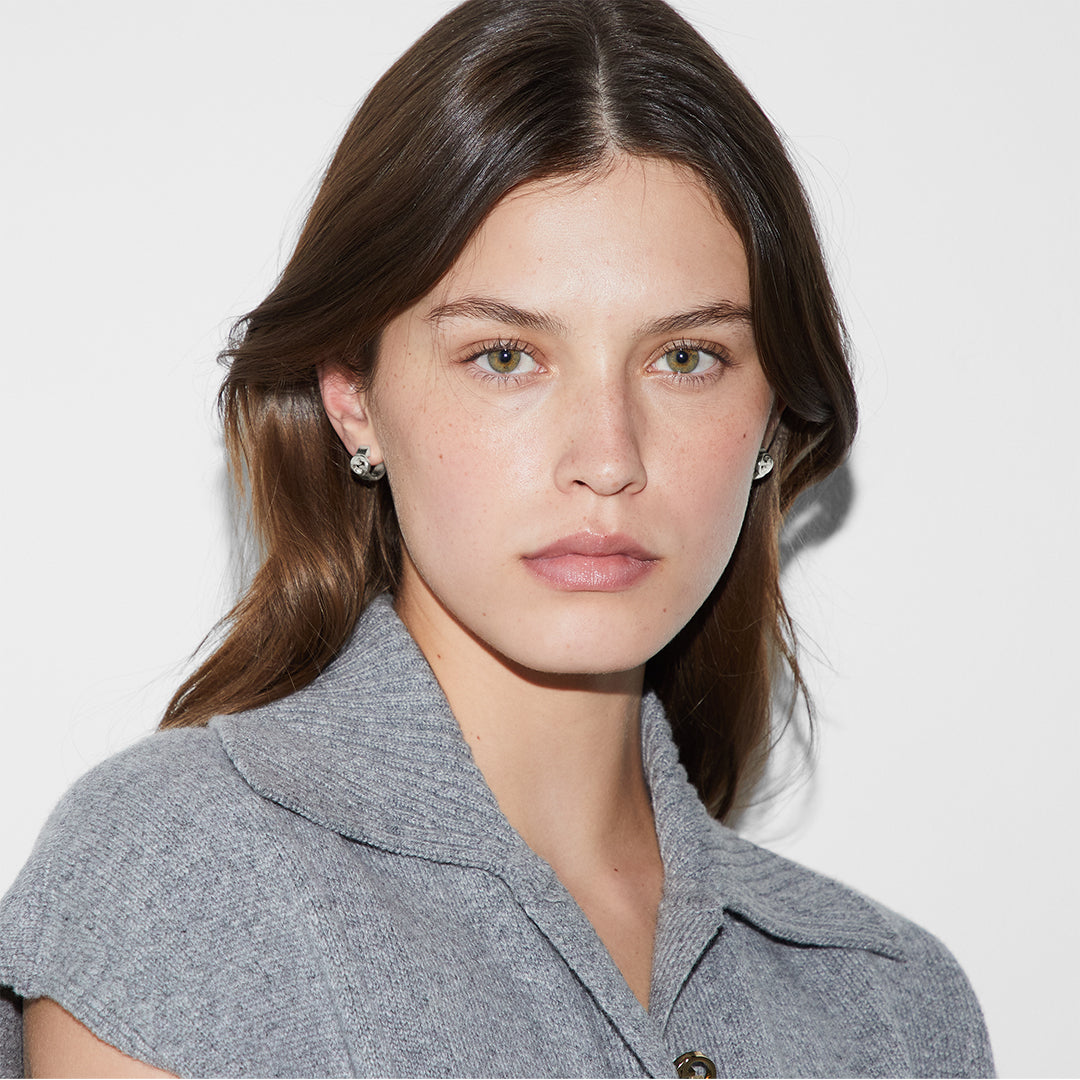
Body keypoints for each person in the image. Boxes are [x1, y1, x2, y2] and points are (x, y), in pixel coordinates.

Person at [0, 0, 994, 1076]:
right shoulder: (180, 878)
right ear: (353, 397)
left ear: (769, 420)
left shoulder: (891, 1004)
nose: (607, 456)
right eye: (507, 357)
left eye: (688, 358)